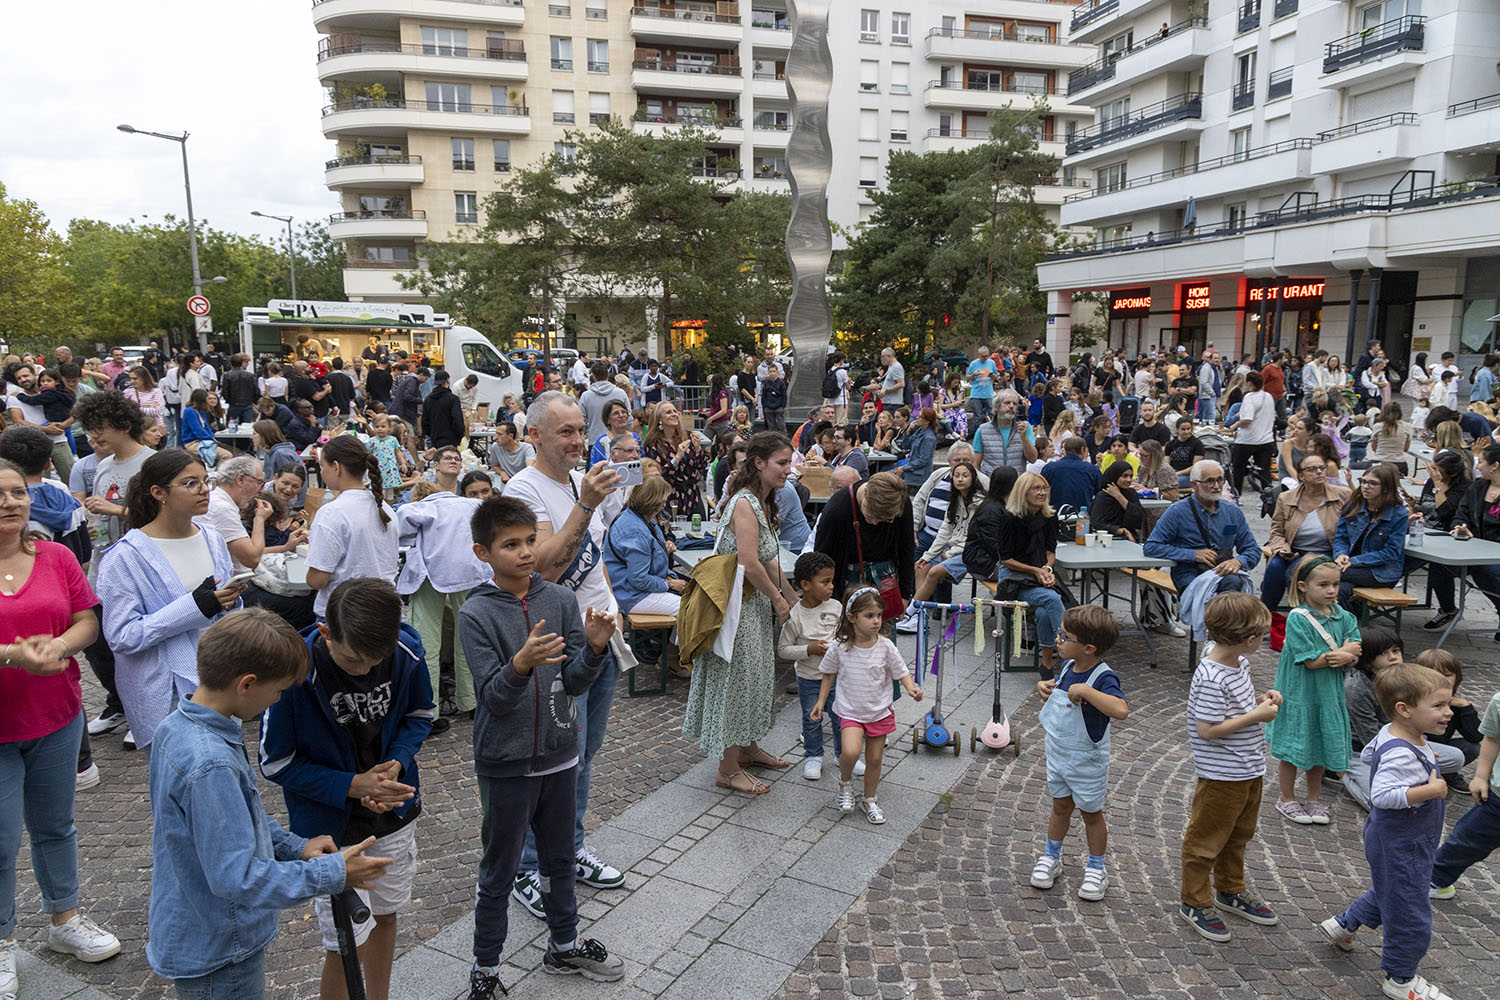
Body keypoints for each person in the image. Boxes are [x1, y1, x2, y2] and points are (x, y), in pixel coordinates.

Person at [148, 608, 391, 999]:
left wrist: (296, 847)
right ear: (247, 684)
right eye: (278, 691)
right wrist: (332, 873)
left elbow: (238, 821)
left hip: (204, 931)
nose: (277, 700)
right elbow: (237, 877)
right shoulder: (210, 763)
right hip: (220, 951)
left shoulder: (178, 725)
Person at [458, 497, 625, 995]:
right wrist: (521, 664)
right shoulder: (475, 613)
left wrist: (594, 649)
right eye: (511, 545)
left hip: (560, 755)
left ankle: (564, 945)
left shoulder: (558, 599)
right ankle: (486, 970)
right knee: (500, 870)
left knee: (559, 860)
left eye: (531, 540)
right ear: (482, 552)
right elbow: (492, 698)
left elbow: (572, 683)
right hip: (506, 763)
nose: (526, 552)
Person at [259, 579, 434, 1000]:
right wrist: (351, 785)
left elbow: (421, 713)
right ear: (326, 633)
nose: (368, 669)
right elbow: (275, 761)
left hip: (391, 813)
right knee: (344, 941)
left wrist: (398, 762)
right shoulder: (295, 674)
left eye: (379, 658)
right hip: (330, 830)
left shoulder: (404, 652)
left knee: (387, 915)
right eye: (356, 659)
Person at [502, 391, 628, 916]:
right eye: (566, 432)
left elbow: (593, 561)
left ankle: (569, 849)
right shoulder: (522, 490)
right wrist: (588, 505)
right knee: (548, 760)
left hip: (597, 640)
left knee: (582, 755)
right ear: (534, 435)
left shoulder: (579, 481)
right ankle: (529, 867)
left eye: (581, 429)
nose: (579, 440)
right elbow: (544, 570)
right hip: (554, 645)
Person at [0, 459, 123, 990]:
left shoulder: (55, 555)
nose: (9, 502)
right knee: (1, 841)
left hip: (55, 715)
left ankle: (64, 920)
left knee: (55, 826)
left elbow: (86, 621)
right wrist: (12, 654)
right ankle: (2, 943)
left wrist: (59, 646)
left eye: (15, 492)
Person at [1318, 664, 1454, 1000]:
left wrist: (1421, 760)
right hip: (1402, 842)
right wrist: (1431, 789)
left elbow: (1369, 753)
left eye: (1448, 704)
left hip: (1401, 841)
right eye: (1438, 706)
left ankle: (1344, 924)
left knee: (1394, 888)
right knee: (1410, 911)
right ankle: (1400, 978)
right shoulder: (1402, 751)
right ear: (1404, 710)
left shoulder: (1396, 733)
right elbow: (1382, 795)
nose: (1448, 712)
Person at [685, 431, 799, 795]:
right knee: (737, 681)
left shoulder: (762, 501)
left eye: (788, 462)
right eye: (782, 463)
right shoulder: (745, 503)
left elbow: (767, 558)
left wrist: (793, 596)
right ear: (759, 463)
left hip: (751, 606)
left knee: (754, 678)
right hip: (736, 609)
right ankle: (728, 768)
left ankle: (747, 749)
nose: (788, 469)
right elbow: (750, 563)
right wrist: (780, 602)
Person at [1178, 593, 1281, 942]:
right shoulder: (1211, 676)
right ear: (1249, 640)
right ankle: (1193, 900)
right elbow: (1208, 730)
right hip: (1222, 775)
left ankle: (1230, 889)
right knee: (1205, 839)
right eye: (1262, 636)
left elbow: (1236, 710)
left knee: (1239, 835)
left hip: (1248, 769)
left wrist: (1260, 701)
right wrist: (1256, 715)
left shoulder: (1239, 664)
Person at [1029, 605, 1126, 902]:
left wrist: (1087, 692)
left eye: (1064, 636)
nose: (1058, 639)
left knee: (1091, 813)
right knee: (1060, 807)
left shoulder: (1103, 676)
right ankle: (1051, 856)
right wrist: (1045, 686)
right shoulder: (1070, 667)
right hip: (1059, 755)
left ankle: (1097, 868)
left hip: (1087, 760)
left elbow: (1120, 710)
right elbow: (1062, 690)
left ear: (1088, 648)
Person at [811, 586, 922, 826]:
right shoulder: (840, 647)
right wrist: (821, 701)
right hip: (850, 711)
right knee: (850, 752)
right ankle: (844, 783)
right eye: (869, 616)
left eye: (879, 615)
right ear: (852, 618)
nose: (876, 621)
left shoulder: (885, 646)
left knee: (874, 759)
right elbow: (828, 674)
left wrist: (911, 687)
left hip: (879, 711)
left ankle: (869, 799)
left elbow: (900, 670)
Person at [1265, 556, 1361, 826]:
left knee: (1320, 746)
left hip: (1328, 695)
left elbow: (1357, 649)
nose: (1331, 590)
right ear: (1304, 586)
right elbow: (1311, 661)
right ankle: (1286, 797)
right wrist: (1344, 654)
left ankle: (1313, 798)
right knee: (1292, 748)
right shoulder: (1298, 619)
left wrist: (1347, 655)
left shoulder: (1346, 616)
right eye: (1324, 585)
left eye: (1335, 584)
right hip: (1299, 694)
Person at [397, 479, 492, 736]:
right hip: (470, 570)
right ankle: (471, 701)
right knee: (469, 638)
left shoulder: (420, 508)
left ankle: (428, 711)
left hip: (432, 573)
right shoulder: (470, 504)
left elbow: (401, 529)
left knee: (426, 642)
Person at [779, 552, 855, 782]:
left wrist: (842, 644)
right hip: (809, 678)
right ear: (805, 585)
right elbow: (783, 649)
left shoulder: (835, 607)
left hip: (837, 678)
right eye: (825, 582)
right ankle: (813, 755)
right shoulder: (795, 616)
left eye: (832, 581)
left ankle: (843, 756)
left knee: (841, 718)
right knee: (812, 719)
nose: (831, 586)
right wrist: (809, 650)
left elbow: (846, 633)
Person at [305, 436, 398, 620]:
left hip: (342, 614)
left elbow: (317, 579)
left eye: (323, 466)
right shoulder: (385, 509)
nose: (322, 472)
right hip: (381, 609)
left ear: (336, 467)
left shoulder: (332, 513)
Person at [1144, 460, 1261, 596]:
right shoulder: (1177, 511)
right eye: (1210, 481)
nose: (1216, 486)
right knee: (1210, 593)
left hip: (1223, 572)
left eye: (1220, 480)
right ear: (1194, 484)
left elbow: (1253, 549)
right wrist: (1193, 555)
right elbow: (1151, 546)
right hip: (1190, 573)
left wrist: (1238, 561)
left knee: (1234, 585)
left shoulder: (1232, 511)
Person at [1261, 452, 1348, 616]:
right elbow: (1277, 531)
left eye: (1322, 468)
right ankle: (1264, 616)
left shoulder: (1342, 495)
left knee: (1294, 572)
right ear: (1301, 476)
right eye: (1312, 469)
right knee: (1274, 567)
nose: (1319, 472)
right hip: (1292, 550)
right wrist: (1282, 549)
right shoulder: (1286, 498)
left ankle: (1301, 619)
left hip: (1326, 551)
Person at [602, 475, 684, 620]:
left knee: (694, 600)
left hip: (634, 589)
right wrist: (669, 583)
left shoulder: (636, 518)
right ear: (656, 503)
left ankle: (675, 643)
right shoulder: (636, 531)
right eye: (663, 500)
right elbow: (638, 579)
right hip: (630, 595)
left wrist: (670, 578)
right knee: (691, 608)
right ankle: (676, 643)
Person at [1333, 463, 1408, 612]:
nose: (1366, 486)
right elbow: (1341, 537)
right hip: (1349, 566)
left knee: (1325, 573)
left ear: (1386, 487)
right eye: (1363, 481)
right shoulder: (1353, 505)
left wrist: (1354, 561)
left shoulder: (1398, 514)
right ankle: (1347, 625)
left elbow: (1391, 552)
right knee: (1340, 590)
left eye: (1373, 483)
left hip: (1380, 571)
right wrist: (1340, 554)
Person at [643, 402, 708, 517]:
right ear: (659, 419)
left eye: (674, 411)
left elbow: (702, 466)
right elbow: (658, 475)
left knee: (699, 532)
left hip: (692, 496)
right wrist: (677, 458)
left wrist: (698, 450)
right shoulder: (653, 444)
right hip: (669, 497)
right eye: (668, 412)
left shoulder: (688, 436)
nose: (674, 414)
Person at [1228, 371, 1275, 494]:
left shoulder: (1249, 397)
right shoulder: (1268, 396)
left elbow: (1247, 419)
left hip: (1247, 439)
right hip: (1266, 439)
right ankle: (1268, 497)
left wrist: (1235, 425)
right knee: (1264, 470)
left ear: (1249, 383)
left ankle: (1236, 495)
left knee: (1237, 468)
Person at [972, 390, 1037, 476]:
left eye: (1014, 404)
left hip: (1016, 483)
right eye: (1007, 403)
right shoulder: (983, 430)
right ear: (996, 407)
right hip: (991, 483)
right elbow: (976, 464)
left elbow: (1032, 459)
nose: (1011, 406)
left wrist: (1024, 437)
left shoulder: (1025, 428)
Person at [1041, 435, 1100, 513]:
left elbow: (1041, 490)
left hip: (1053, 515)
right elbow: (1099, 493)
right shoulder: (1092, 470)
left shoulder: (1049, 468)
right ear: (1083, 450)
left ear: (1065, 450)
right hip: (1082, 517)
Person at [1090, 461, 1144, 541]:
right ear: (1115, 476)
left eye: (1131, 476)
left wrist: (1119, 497)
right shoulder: (1103, 496)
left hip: (1130, 539)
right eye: (1124, 476)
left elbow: (1139, 518)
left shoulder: (1131, 494)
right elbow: (1097, 523)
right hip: (1107, 538)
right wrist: (1123, 531)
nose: (1129, 480)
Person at [579, 363, 629, 445]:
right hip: (619, 440)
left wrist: (582, 439)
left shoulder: (586, 396)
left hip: (594, 440)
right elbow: (629, 417)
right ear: (608, 375)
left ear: (593, 377)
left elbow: (581, 421)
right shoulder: (621, 393)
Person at [420, 370, 465, 451]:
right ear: (447, 381)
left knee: (439, 460)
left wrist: (431, 434)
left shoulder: (428, 399)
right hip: (451, 439)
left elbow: (424, 421)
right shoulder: (453, 399)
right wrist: (460, 435)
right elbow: (457, 420)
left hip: (435, 438)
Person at [587, 400, 636, 468]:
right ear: (608, 420)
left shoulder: (635, 437)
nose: (621, 415)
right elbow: (595, 468)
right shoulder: (602, 441)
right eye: (616, 413)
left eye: (623, 412)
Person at [901, 407, 939, 489]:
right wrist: (908, 431)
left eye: (920, 417)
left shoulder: (928, 438)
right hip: (911, 470)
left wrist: (904, 468)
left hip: (918, 475)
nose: (916, 418)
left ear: (927, 421)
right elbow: (905, 446)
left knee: (886, 479)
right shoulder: (919, 431)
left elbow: (923, 460)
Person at [966, 345, 998, 424]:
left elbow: (996, 376)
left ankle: (994, 432)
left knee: (993, 414)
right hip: (976, 394)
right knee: (978, 417)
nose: (985, 358)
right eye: (983, 356)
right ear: (979, 355)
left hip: (988, 394)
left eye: (987, 356)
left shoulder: (991, 362)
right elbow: (967, 378)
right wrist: (974, 374)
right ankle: (978, 434)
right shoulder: (973, 363)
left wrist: (993, 376)